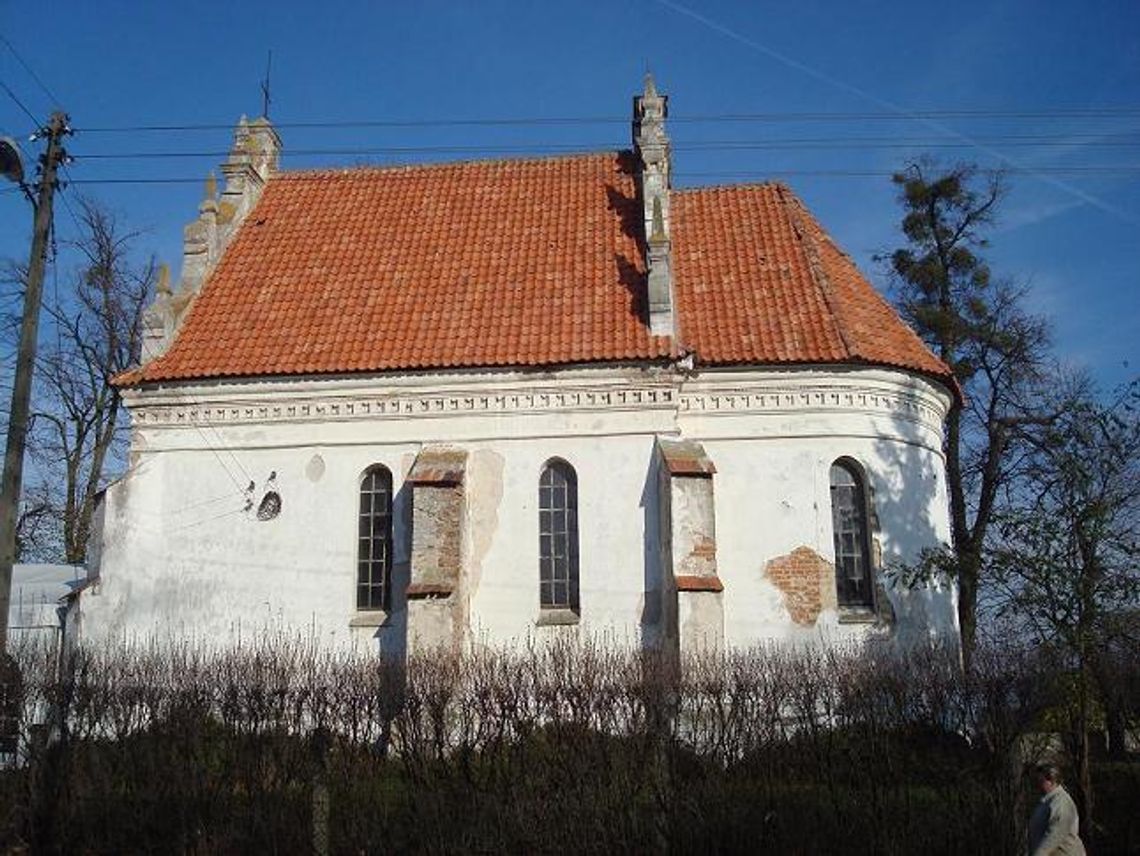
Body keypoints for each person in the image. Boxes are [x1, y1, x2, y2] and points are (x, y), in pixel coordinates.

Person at [1027, 763, 1086, 855]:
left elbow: (1054, 836)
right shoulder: (1046, 802)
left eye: (1040, 781)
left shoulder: (1061, 803)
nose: (1036, 784)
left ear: (1051, 780)